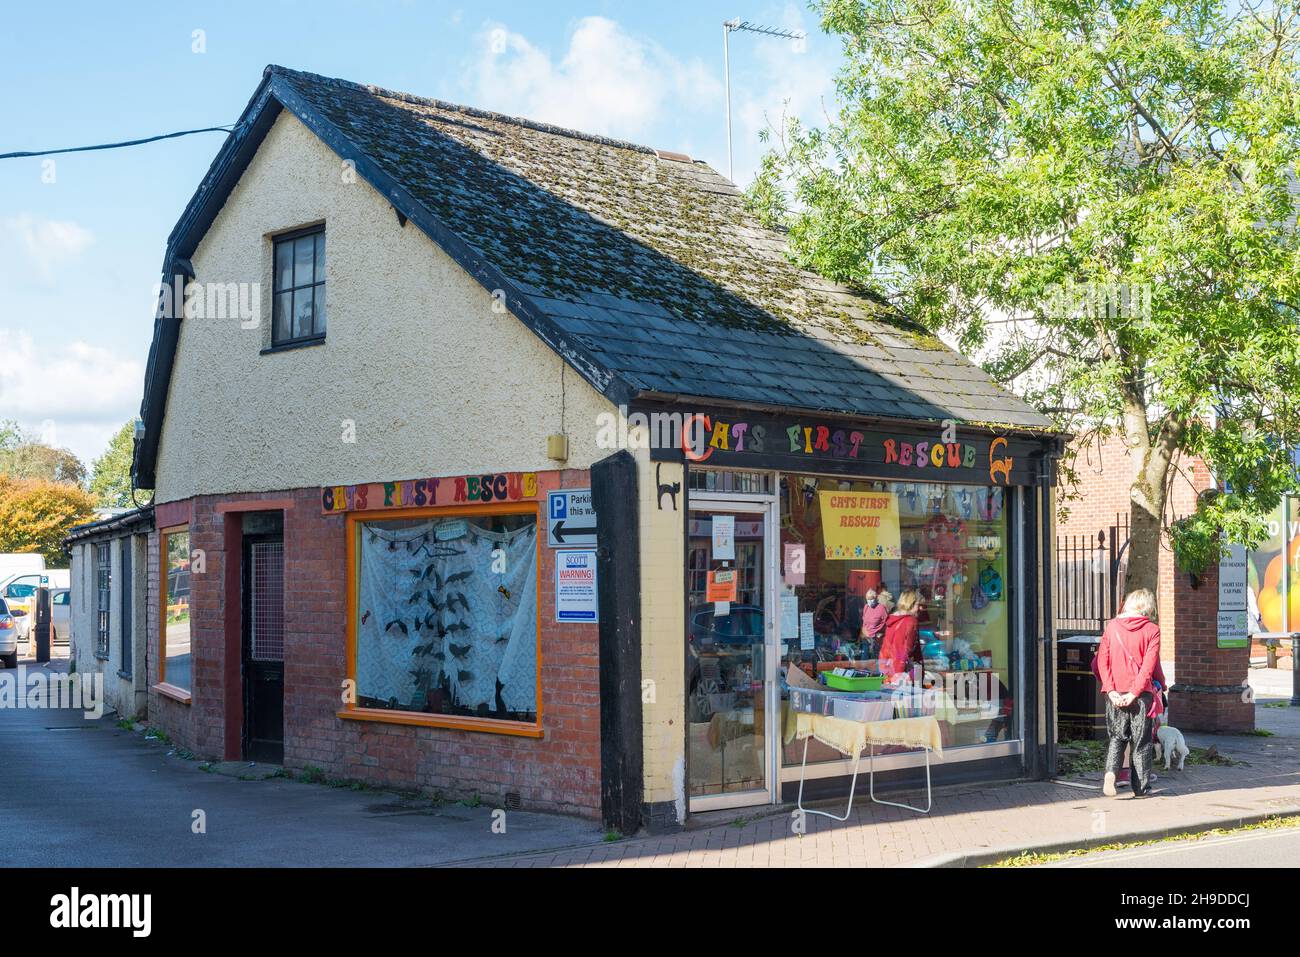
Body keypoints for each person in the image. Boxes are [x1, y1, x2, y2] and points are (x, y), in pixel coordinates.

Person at [1096, 588, 1164, 797]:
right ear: (1147, 607)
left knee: (1117, 738)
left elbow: (1102, 660)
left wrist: (1111, 689)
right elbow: (1148, 667)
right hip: (1140, 695)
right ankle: (1141, 788)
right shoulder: (1152, 630)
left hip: (1115, 693)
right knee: (1141, 742)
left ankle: (1110, 774)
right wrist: (1135, 693)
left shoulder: (1112, 626)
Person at [879, 589, 924, 679]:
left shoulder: (892, 619)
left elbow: (887, 646)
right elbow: (908, 649)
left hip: (886, 667)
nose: (921, 608)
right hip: (903, 672)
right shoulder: (911, 621)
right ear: (910, 604)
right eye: (918, 605)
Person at [859, 589, 889, 655]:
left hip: (877, 639)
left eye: (871, 599)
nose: (870, 601)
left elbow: (887, 623)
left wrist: (881, 634)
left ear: (876, 598)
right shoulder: (866, 607)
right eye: (868, 599)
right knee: (864, 660)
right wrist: (863, 634)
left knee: (876, 660)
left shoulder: (881, 608)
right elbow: (864, 622)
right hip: (866, 638)